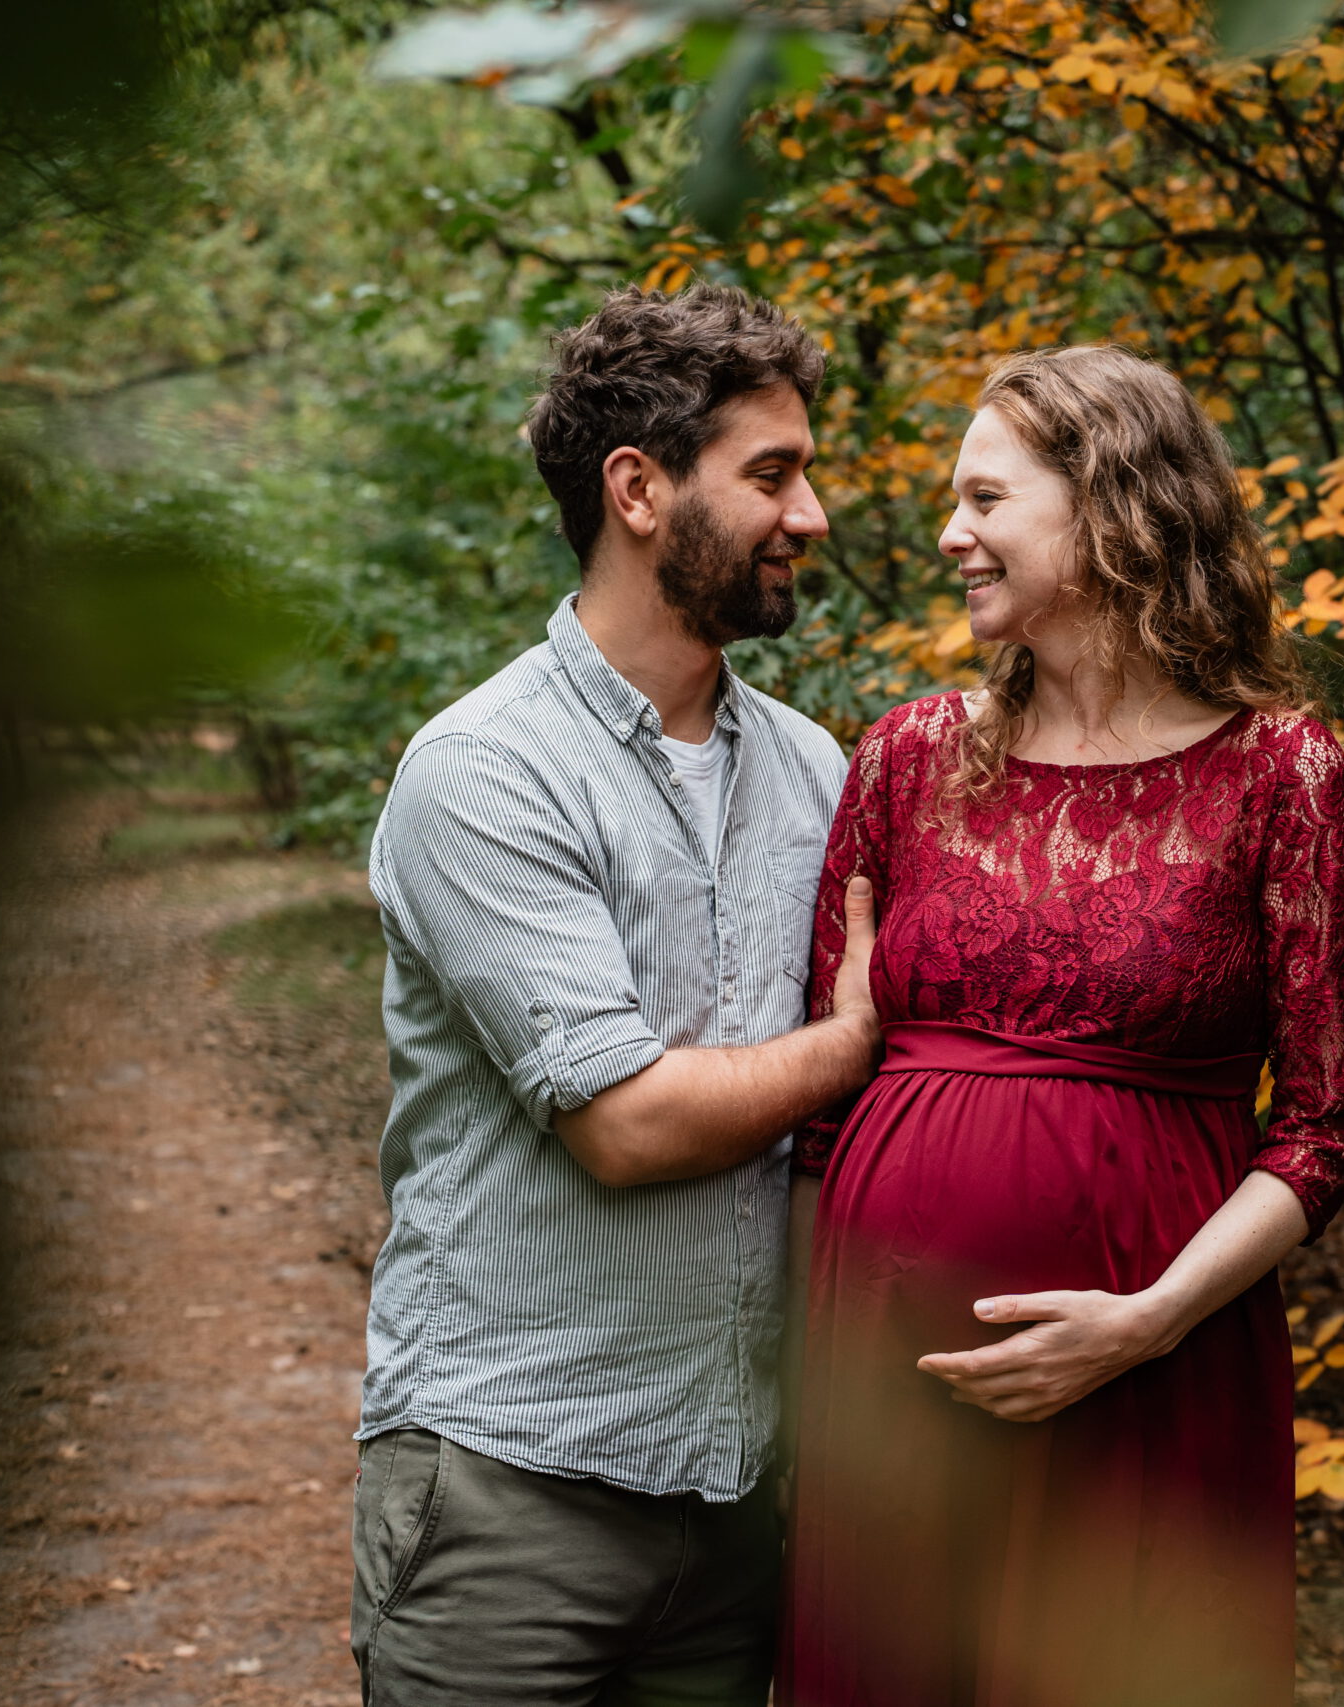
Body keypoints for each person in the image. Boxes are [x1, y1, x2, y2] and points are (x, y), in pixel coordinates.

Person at [780, 345, 1344, 1707]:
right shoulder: (905, 758)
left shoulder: (1282, 773)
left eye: (986, 498)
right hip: (885, 1385)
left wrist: (1148, 1322)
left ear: (1111, 509)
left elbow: (1326, 1128)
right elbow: (828, 1105)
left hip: (1148, 1373)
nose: (952, 534)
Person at [352, 285, 883, 1707]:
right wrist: (854, 1041)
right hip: (508, 1500)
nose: (812, 512)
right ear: (637, 491)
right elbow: (630, 1125)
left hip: (734, 1507)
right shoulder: (484, 773)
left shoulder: (818, 774)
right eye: (771, 474)